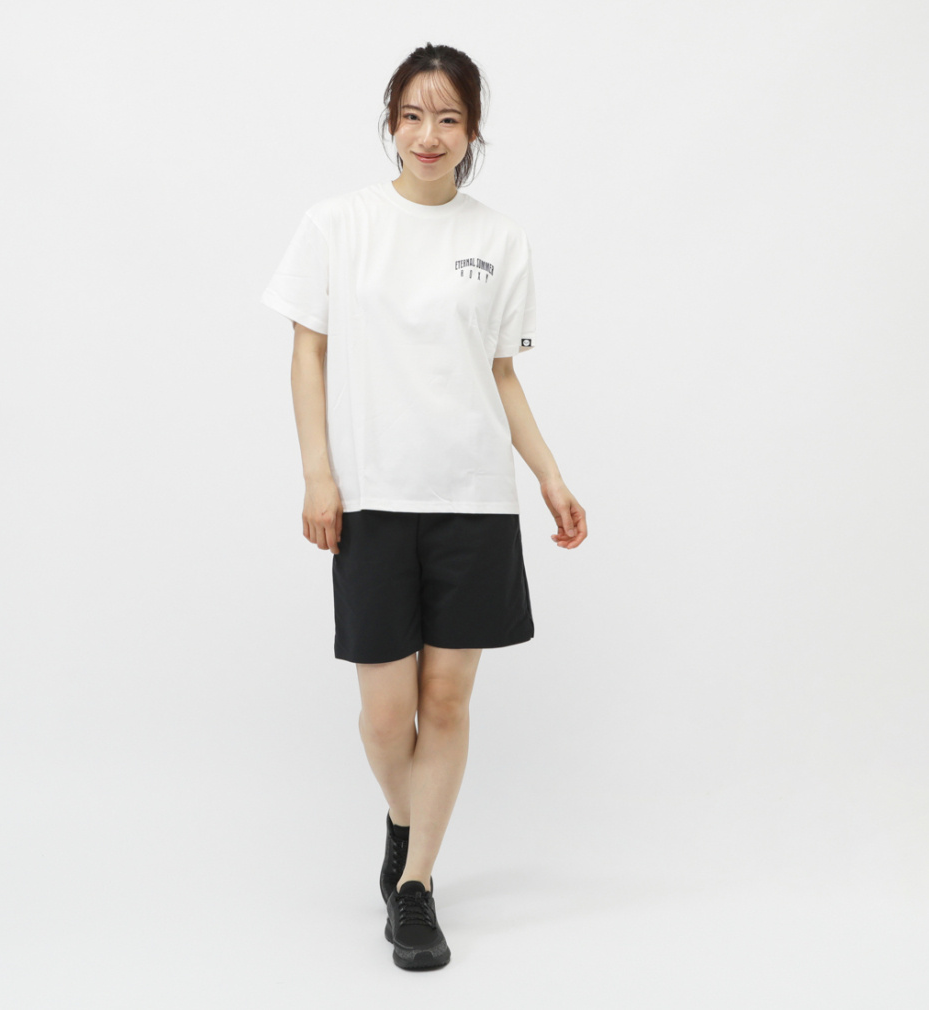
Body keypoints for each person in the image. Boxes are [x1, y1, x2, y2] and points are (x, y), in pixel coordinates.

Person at [261, 42, 587, 971]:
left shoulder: (501, 240)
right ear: (391, 123)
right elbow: (308, 352)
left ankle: (415, 886)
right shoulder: (338, 224)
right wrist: (318, 475)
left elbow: (501, 376)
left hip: (473, 500)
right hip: (370, 496)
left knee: (446, 699)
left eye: (449, 117)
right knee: (382, 716)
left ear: (473, 129)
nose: (429, 134)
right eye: (412, 115)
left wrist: (549, 475)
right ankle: (407, 819)